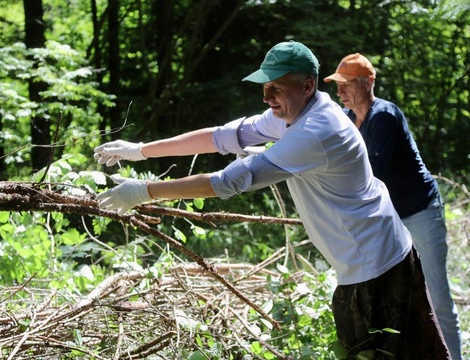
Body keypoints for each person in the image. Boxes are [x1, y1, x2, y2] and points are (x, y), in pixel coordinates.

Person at [94, 41, 450, 359]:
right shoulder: (296, 113)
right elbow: (223, 136)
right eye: (265, 87)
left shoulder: (316, 131)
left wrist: (144, 192)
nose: (267, 97)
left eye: (276, 87)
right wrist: (141, 151)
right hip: (371, 259)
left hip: (377, 266)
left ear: (307, 85)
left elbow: (229, 180)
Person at [324, 53, 462, 360]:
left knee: (437, 296)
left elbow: (375, 172)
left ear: (369, 82)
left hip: (420, 211)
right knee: (398, 299)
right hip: (390, 219)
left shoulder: (384, 114)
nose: (340, 91)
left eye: (347, 84)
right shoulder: (348, 120)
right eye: (338, 85)